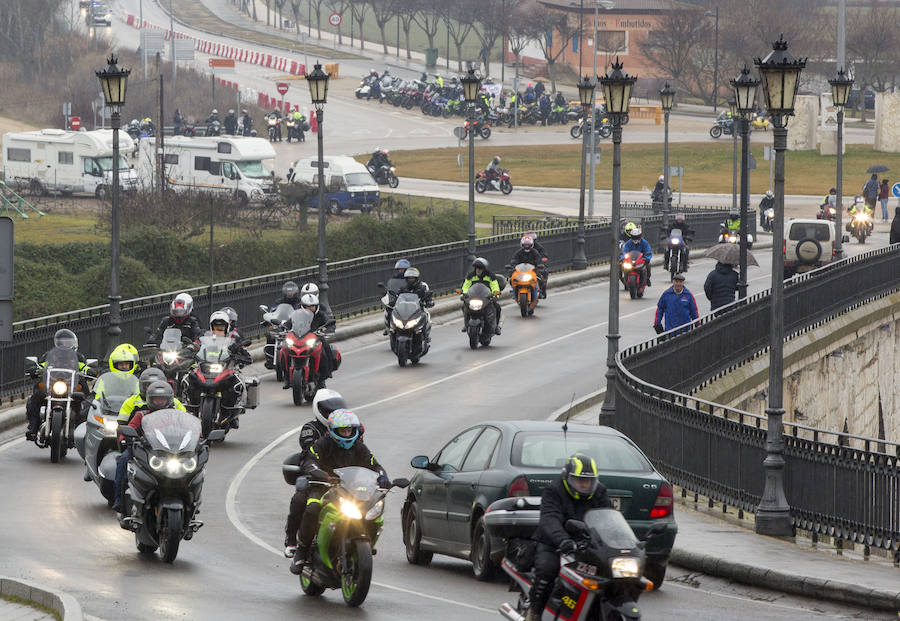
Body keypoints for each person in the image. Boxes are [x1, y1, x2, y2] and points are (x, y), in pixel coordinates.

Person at [290, 409, 389, 573]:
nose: (347, 433)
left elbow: (374, 464)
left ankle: (363, 546)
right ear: (334, 431)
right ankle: (302, 550)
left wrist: (382, 477)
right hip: (323, 487)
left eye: (349, 430)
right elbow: (310, 461)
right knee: (312, 507)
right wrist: (318, 473)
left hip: (350, 489)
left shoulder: (359, 447)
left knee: (372, 509)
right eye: (343, 430)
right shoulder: (322, 444)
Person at [525, 453, 611, 621]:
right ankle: (534, 611)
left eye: (588, 480)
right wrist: (563, 540)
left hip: (587, 545)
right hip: (554, 543)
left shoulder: (600, 492)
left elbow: (609, 518)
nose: (585, 484)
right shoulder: (554, 490)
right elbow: (550, 519)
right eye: (579, 480)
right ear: (568, 477)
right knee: (547, 570)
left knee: (610, 576)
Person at [283, 389, 349, 558]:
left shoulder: (349, 428)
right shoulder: (310, 430)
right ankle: (292, 541)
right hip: (316, 477)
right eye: (329, 411)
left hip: (344, 478)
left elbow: (359, 453)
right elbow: (312, 452)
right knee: (301, 501)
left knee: (368, 505)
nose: (333, 414)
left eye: (337, 411)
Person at [113, 380, 177, 522]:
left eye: (163, 399)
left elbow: (190, 430)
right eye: (156, 399)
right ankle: (120, 502)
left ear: (169, 400)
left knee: (193, 467)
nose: (160, 402)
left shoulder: (176, 416)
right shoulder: (141, 415)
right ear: (149, 399)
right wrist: (126, 437)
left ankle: (192, 501)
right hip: (144, 451)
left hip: (170, 452)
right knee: (123, 461)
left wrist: (199, 438)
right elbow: (128, 429)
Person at [24, 329, 90, 441]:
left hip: (71, 386)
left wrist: (89, 371)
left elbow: (84, 367)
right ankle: (34, 427)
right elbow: (41, 366)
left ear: (74, 343)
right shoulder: (49, 355)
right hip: (52, 385)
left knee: (86, 399)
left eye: (68, 342)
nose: (65, 345)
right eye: (61, 342)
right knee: (35, 397)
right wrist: (35, 369)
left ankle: (82, 429)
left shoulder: (78, 357)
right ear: (56, 343)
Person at [282, 293, 337, 389]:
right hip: (299, 338)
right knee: (283, 351)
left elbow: (329, 323)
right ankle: (286, 377)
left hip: (315, 338)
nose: (311, 308)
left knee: (325, 350)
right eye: (308, 306)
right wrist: (282, 328)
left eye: (313, 306)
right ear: (303, 306)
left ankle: (323, 377)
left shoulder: (320, 315)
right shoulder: (297, 314)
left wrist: (329, 329)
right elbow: (289, 324)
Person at [460, 257, 502, 335]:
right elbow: (465, 286)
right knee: (464, 306)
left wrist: (495, 295)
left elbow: (495, 286)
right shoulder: (470, 276)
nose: (478, 270)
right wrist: (464, 295)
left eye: (480, 268)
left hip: (486, 299)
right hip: (473, 298)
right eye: (477, 268)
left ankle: (496, 327)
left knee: (497, 307)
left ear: (484, 269)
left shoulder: (490, 276)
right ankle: (466, 324)